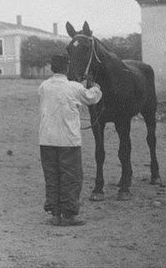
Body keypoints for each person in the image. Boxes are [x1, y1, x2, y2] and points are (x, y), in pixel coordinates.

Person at [37, 55, 102, 226]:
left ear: (52, 68)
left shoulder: (43, 86)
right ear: (67, 68)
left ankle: (55, 214)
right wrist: (95, 87)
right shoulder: (74, 87)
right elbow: (91, 98)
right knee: (71, 177)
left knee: (52, 177)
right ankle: (69, 215)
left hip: (46, 139)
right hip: (68, 140)